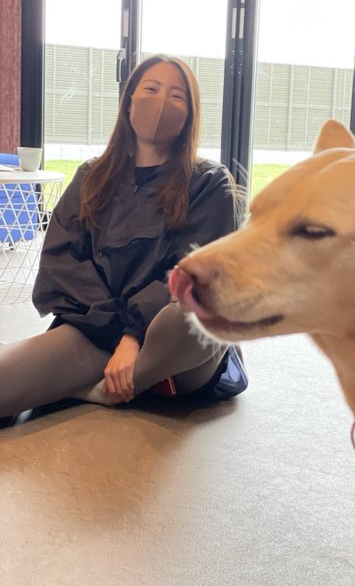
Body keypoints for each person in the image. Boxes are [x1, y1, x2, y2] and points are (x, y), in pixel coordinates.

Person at [0, 54, 247, 420]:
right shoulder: (91, 177)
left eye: (176, 95)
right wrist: (117, 327)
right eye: (151, 89)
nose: (161, 102)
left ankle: (102, 385)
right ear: (129, 101)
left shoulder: (210, 182)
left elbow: (191, 272)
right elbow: (61, 264)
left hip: (174, 351)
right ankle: (100, 386)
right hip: (95, 329)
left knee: (189, 311)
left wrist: (134, 337)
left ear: (190, 114)